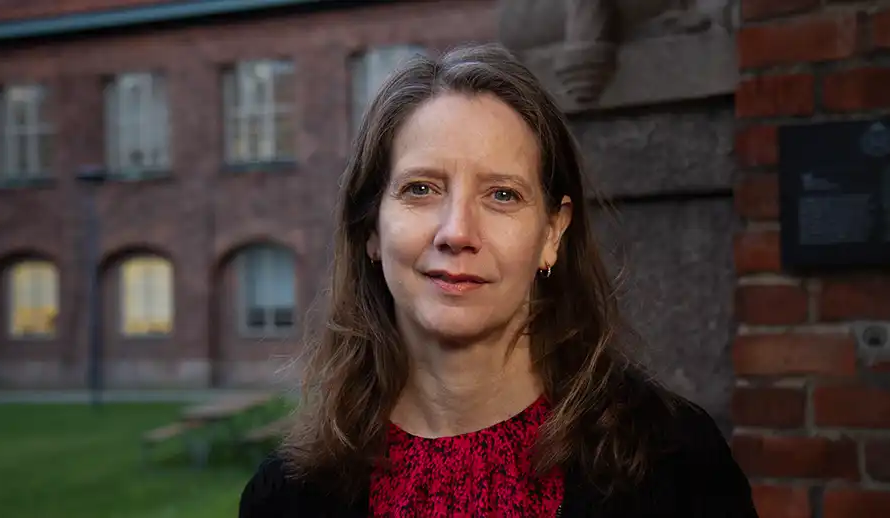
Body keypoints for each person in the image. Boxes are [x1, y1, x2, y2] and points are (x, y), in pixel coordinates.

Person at [238, 43, 758, 517]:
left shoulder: (674, 462)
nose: (457, 232)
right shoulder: (289, 496)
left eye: (502, 195)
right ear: (370, 229)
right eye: (421, 189)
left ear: (552, 233)